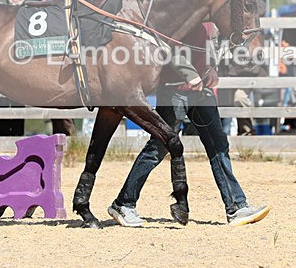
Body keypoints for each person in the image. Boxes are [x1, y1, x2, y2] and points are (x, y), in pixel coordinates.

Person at [108, 20, 271, 227]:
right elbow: (167, 47)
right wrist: (190, 75)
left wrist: (211, 68)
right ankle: (123, 203)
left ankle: (236, 207)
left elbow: (206, 48)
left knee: (218, 145)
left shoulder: (207, 19)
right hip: (173, 90)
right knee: (158, 147)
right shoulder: (182, 10)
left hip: (201, 91)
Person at [31, 0, 76, 136]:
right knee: (57, 109)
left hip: (65, 62)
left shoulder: (65, 2)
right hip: (50, 63)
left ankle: (70, 142)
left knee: (63, 111)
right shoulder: (42, 6)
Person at [0, 0, 29, 137]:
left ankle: (18, 139)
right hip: (1, 62)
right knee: (1, 103)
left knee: (18, 103)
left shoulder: (29, 11)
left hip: (20, 62)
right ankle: (2, 139)